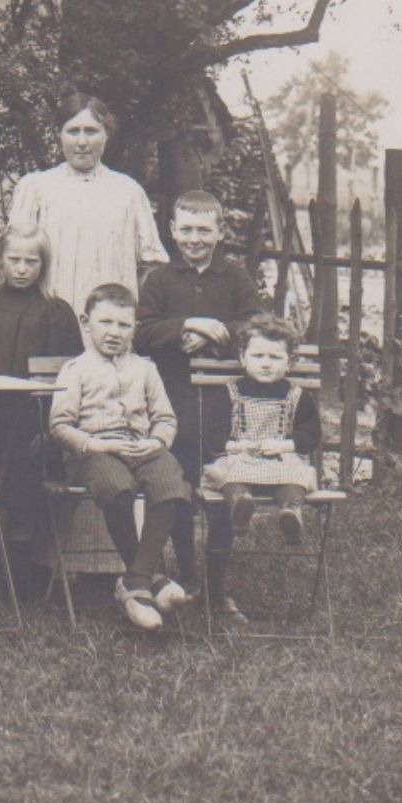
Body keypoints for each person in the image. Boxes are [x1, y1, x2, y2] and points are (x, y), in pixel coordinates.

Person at [135, 190, 263, 602]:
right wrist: (186, 325)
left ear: (220, 232)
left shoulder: (236, 277)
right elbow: (141, 332)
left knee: (222, 492)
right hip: (174, 405)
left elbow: (255, 324)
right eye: (186, 229)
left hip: (223, 409)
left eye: (204, 230)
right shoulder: (159, 279)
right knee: (181, 490)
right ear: (171, 231)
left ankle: (217, 585)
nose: (195, 239)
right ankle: (186, 576)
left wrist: (215, 332)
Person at [48, 283, 193, 631]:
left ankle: (136, 580)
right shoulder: (76, 369)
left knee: (172, 484)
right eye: (106, 323)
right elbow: (59, 425)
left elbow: (165, 418)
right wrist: (96, 446)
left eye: (124, 325)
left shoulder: (145, 368)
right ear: (86, 322)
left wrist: (157, 442)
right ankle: (148, 579)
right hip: (97, 450)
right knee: (117, 488)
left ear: (135, 328)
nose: (114, 332)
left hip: (142, 447)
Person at [0, 226, 85, 540]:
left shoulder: (55, 311)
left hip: (28, 423)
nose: (21, 268)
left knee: (23, 493)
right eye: (14, 259)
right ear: (0, 260)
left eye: (31, 261)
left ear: (43, 264)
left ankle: (19, 572)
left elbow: (69, 376)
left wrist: (48, 427)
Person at [200, 313, 322, 607]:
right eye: (258, 355)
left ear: (290, 362)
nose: (266, 363)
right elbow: (212, 431)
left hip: (279, 459)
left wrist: (286, 444)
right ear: (243, 358)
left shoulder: (296, 396)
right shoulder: (229, 392)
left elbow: (310, 432)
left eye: (275, 357)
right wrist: (234, 444)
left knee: (296, 473)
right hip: (240, 458)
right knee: (230, 472)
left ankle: (290, 511)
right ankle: (240, 503)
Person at [6, 91, 169, 303]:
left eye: (91, 131)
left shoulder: (128, 192)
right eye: (73, 131)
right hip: (47, 319)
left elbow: (152, 265)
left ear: (106, 134)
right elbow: (15, 260)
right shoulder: (35, 188)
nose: (82, 142)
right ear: (59, 135)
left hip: (109, 325)